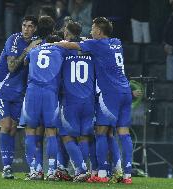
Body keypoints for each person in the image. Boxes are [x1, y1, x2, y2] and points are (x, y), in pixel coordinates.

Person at [53, 17, 133, 184]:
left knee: (101, 133)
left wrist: (52, 44)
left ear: (98, 31)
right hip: (126, 91)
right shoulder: (116, 42)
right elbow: (90, 42)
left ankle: (101, 174)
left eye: (93, 29)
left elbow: (69, 45)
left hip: (110, 94)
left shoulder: (96, 45)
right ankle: (126, 175)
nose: (90, 31)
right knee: (123, 133)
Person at [0, 15, 39, 179]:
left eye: (31, 26)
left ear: (35, 29)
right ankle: (6, 168)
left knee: (13, 129)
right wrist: (28, 49)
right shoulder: (14, 40)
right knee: (6, 125)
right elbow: (11, 67)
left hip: (20, 91)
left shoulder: (38, 41)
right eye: (24, 25)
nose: (26, 29)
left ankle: (9, 167)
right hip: (2, 87)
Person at [23, 16, 66, 181]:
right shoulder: (61, 49)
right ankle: (51, 171)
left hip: (33, 92)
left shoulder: (34, 50)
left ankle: (35, 170)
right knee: (51, 132)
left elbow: (26, 63)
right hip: (50, 93)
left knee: (31, 131)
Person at [57, 21, 95, 182]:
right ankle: (85, 169)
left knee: (66, 136)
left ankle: (80, 169)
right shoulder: (90, 46)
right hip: (89, 99)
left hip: (71, 100)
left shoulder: (63, 48)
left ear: (67, 32)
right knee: (84, 136)